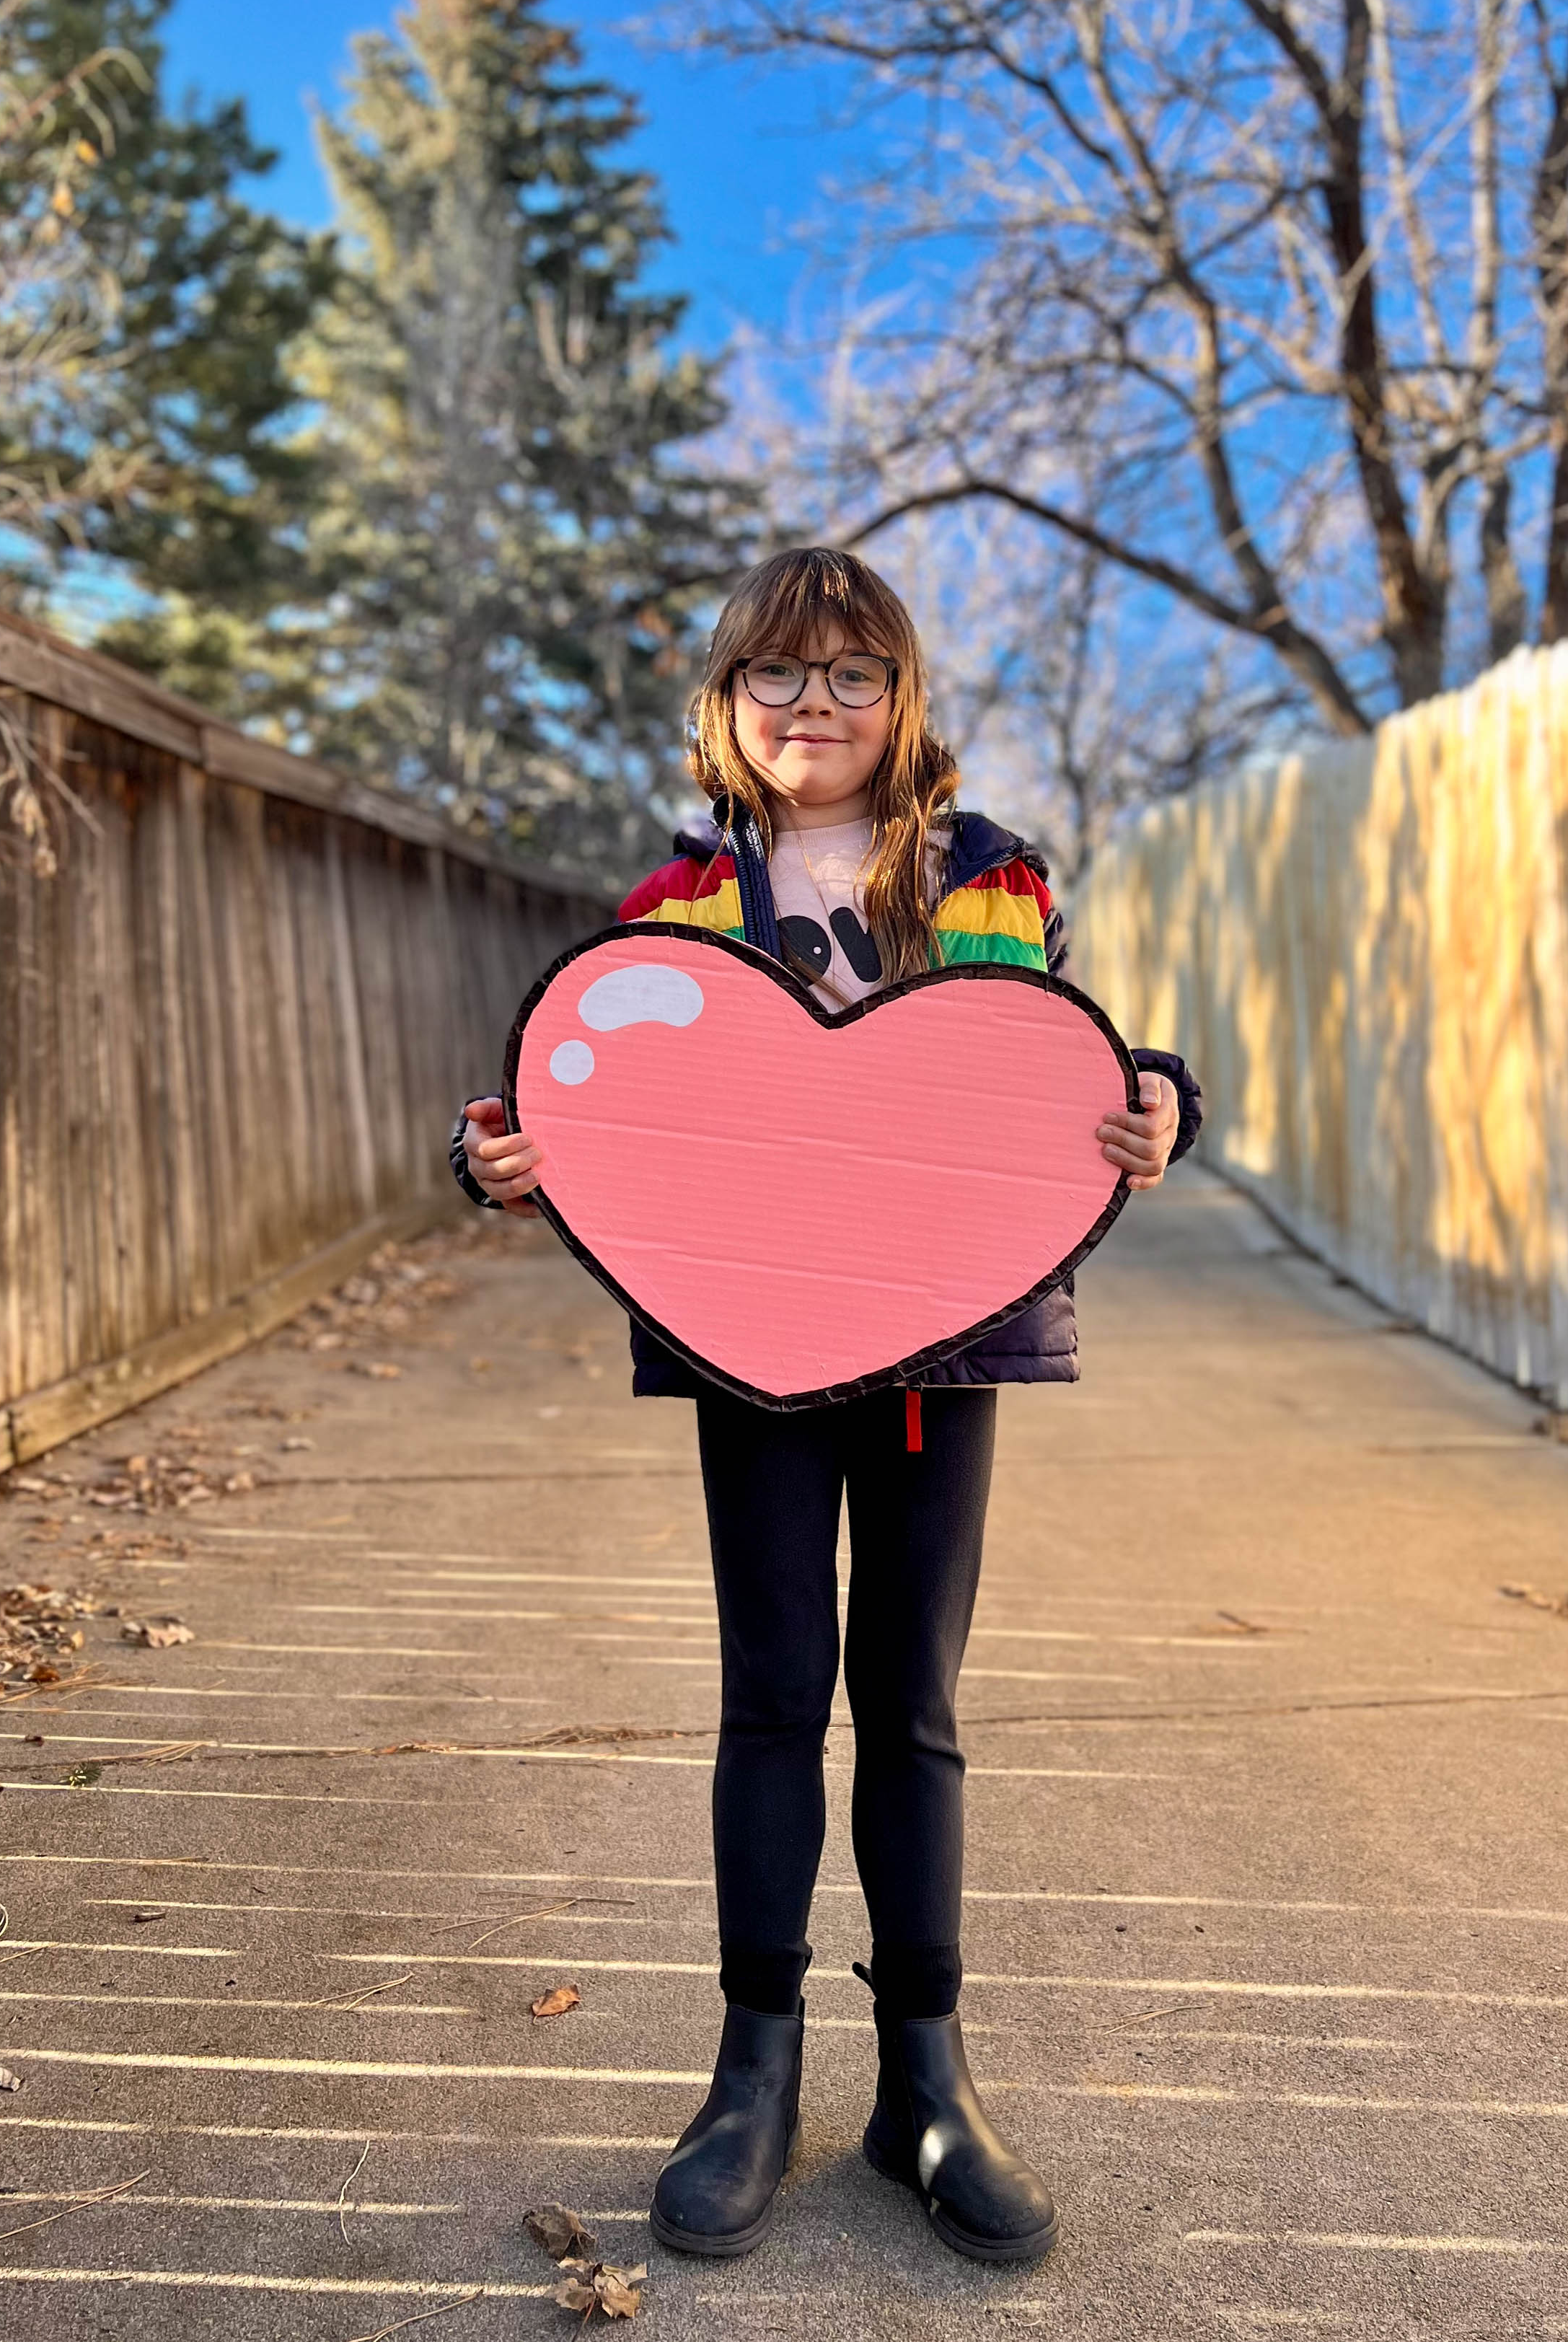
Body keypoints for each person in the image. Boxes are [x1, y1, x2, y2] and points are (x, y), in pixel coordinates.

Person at [451, 548, 1201, 2268]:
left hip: (950, 1343)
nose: (816, 708)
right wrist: (498, 1153)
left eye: (853, 673)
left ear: (903, 695)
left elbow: (1078, 1063)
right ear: (726, 705)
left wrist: (1166, 1101)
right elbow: (594, 1100)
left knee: (912, 1702)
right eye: (778, 678)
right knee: (775, 1691)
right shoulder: (669, 909)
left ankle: (924, 2081)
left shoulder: (994, 876)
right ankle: (752, 2071)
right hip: (753, 1347)